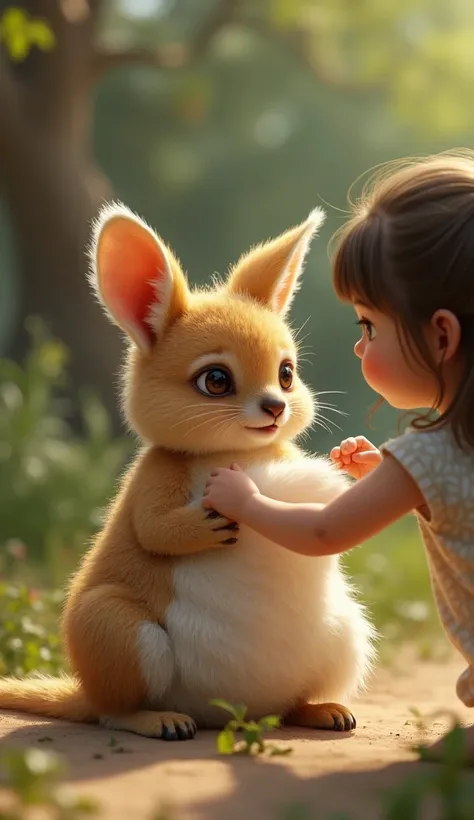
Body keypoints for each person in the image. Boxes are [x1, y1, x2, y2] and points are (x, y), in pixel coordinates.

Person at [203, 151, 474, 762]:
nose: (358, 346)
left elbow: (327, 530)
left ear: (440, 336)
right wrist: (388, 478)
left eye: (370, 326)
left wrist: (250, 502)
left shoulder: (427, 455)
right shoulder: (442, 458)